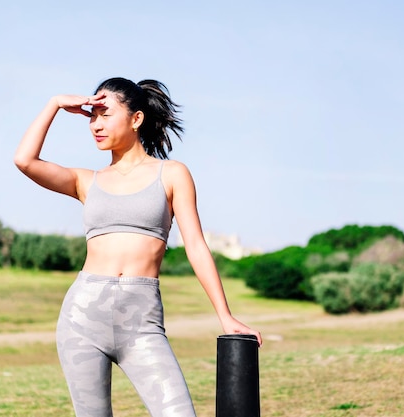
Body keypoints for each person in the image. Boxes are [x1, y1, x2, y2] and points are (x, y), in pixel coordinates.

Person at [14, 77, 262, 417]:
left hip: (141, 322)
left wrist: (225, 315)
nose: (95, 125)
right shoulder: (86, 181)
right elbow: (25, 160)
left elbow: (196, 246)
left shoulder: (172, 174)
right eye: (92, 116)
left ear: (136, 119)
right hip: (82, 318)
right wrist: (54, 103)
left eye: (105, 114)